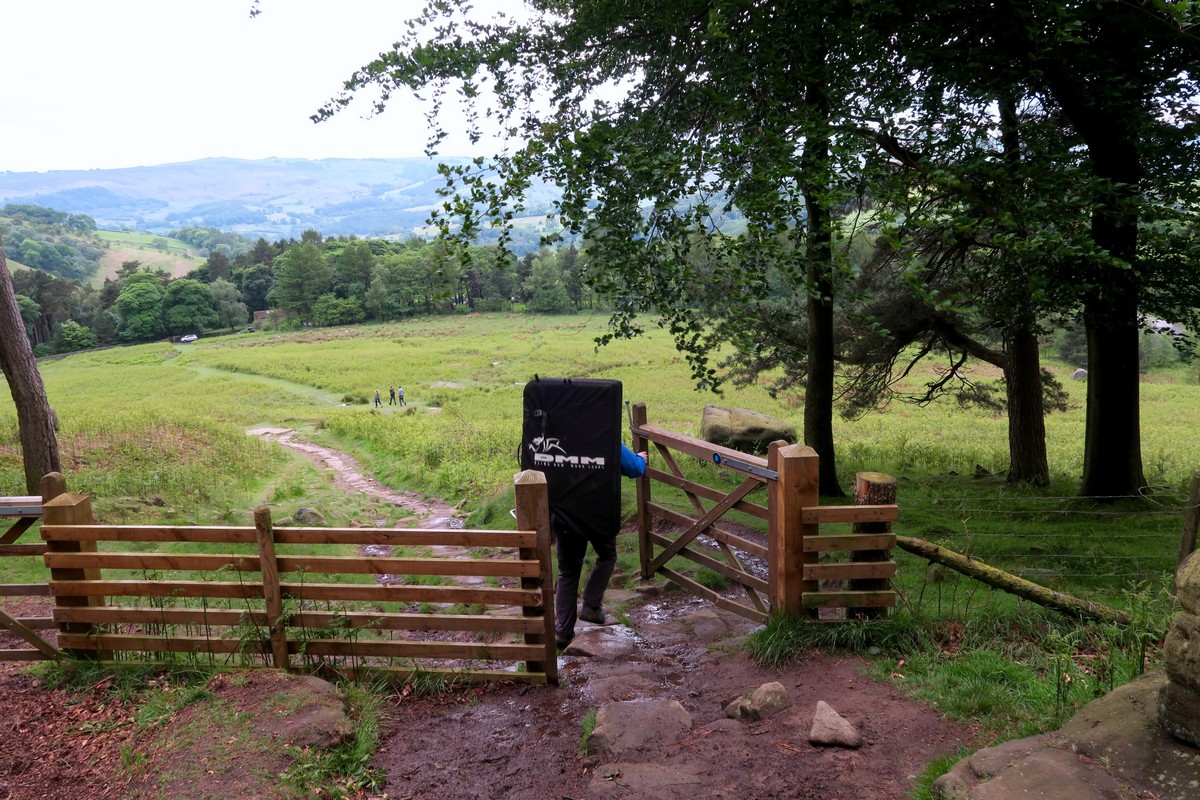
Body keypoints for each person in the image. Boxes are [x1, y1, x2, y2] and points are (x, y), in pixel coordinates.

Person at [555, 443, 647, 649]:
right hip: (600, 512)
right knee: (607, 555)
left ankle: (562, 633)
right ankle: (591, 605)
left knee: (568, 571)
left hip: (566, 512)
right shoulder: (604, 431)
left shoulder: (558, 433)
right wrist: (640, 458)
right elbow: (634, 468)